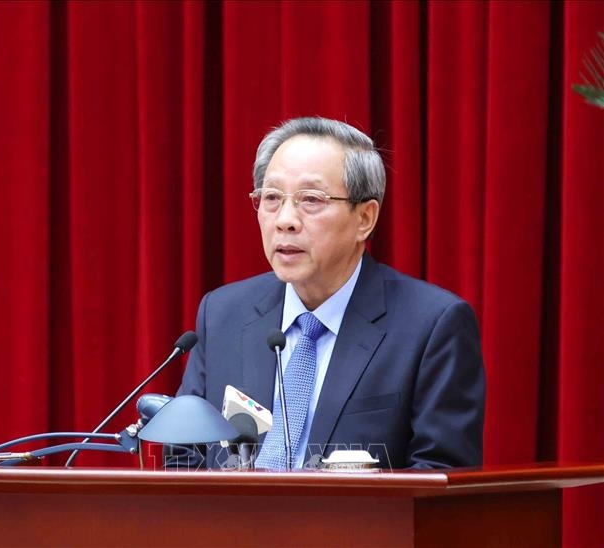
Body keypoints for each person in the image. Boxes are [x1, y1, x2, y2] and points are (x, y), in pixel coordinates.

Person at [168, 117, 485, 470]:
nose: (285, 220)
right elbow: (184, 455)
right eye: (271, 198)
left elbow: (440, 476)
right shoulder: (222, 314)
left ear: (365, 218)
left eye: (311, 199)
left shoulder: (432, 326)